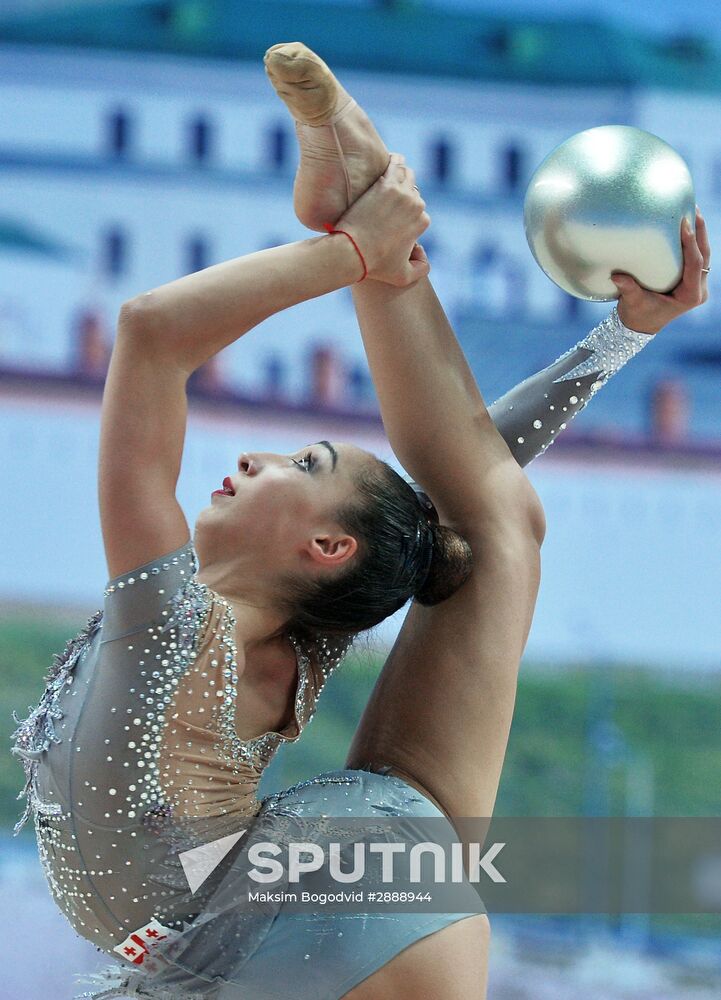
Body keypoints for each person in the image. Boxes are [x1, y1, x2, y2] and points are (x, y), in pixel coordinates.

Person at [11, 43, 710, 1000]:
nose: (255, 457)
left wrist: (348, 254)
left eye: (302, 464)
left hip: (301, 914)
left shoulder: (173, 622)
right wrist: (620, 335)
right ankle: (373, 203)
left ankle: (374, 213)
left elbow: (149, 334)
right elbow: (467, 488)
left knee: (490, 525)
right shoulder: (285, 639)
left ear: (326, 548)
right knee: (489, 524)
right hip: (288, 920)